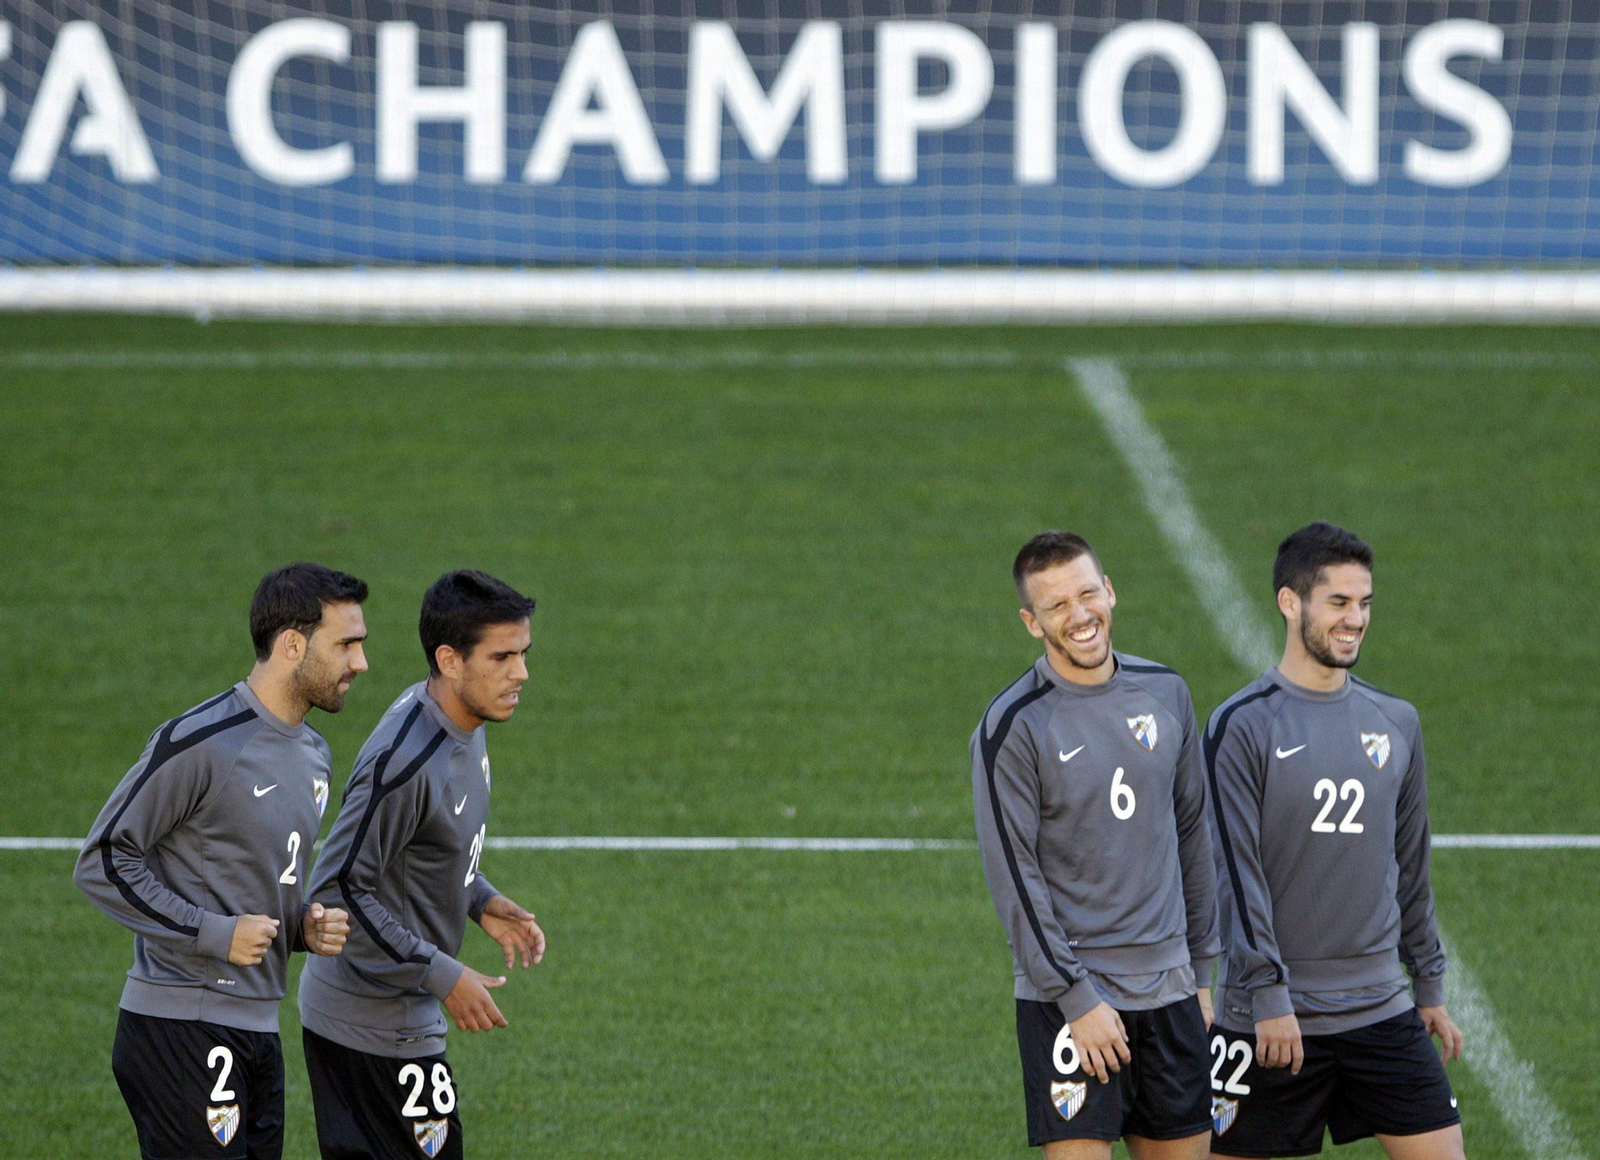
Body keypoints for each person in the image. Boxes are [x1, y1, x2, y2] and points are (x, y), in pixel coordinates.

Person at [75, 562, 364, 1159]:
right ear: (292, 644)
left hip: (258, 1028)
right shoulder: (202, 741)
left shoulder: (314, 754)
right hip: (181, 1027)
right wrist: (216, 932)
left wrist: (302, 926)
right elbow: (103, 861)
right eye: (346, 644)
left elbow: (251, 878)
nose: (360, 663)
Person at [1206, 522, 1465, 1160]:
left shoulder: (1396, 721)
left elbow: (1411, 865)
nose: (1356, 620)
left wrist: (1426, 986)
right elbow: (1236, 879)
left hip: (1381, 1008)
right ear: (1291, 603)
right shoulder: (1241, 725)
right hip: (1270, 1021)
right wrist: (1268, 998)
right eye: (1339, 603)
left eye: (1365, 603)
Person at [972, 531, 1220, 1159]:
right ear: (1032, 623)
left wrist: (1201, 974)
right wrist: (1077, 999)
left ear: (1110, 590)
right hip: (1071, 998)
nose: (1079, 615)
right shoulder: (1013, 726)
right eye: (1057, 606)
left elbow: (1192, 831)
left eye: (1087, 593)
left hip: (1171, 989)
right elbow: (1015, 879)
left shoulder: (1167, 693)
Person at [299, 569, 546, 1160]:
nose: (521, 674)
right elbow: (335, 891)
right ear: (450, 660)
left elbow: (415, 851)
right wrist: (442, 972)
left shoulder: (462, 720)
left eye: (524, 653)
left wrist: (477, 897)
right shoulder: (404, 761)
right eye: (503, 657)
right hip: (367, 1026)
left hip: (398, 1014)